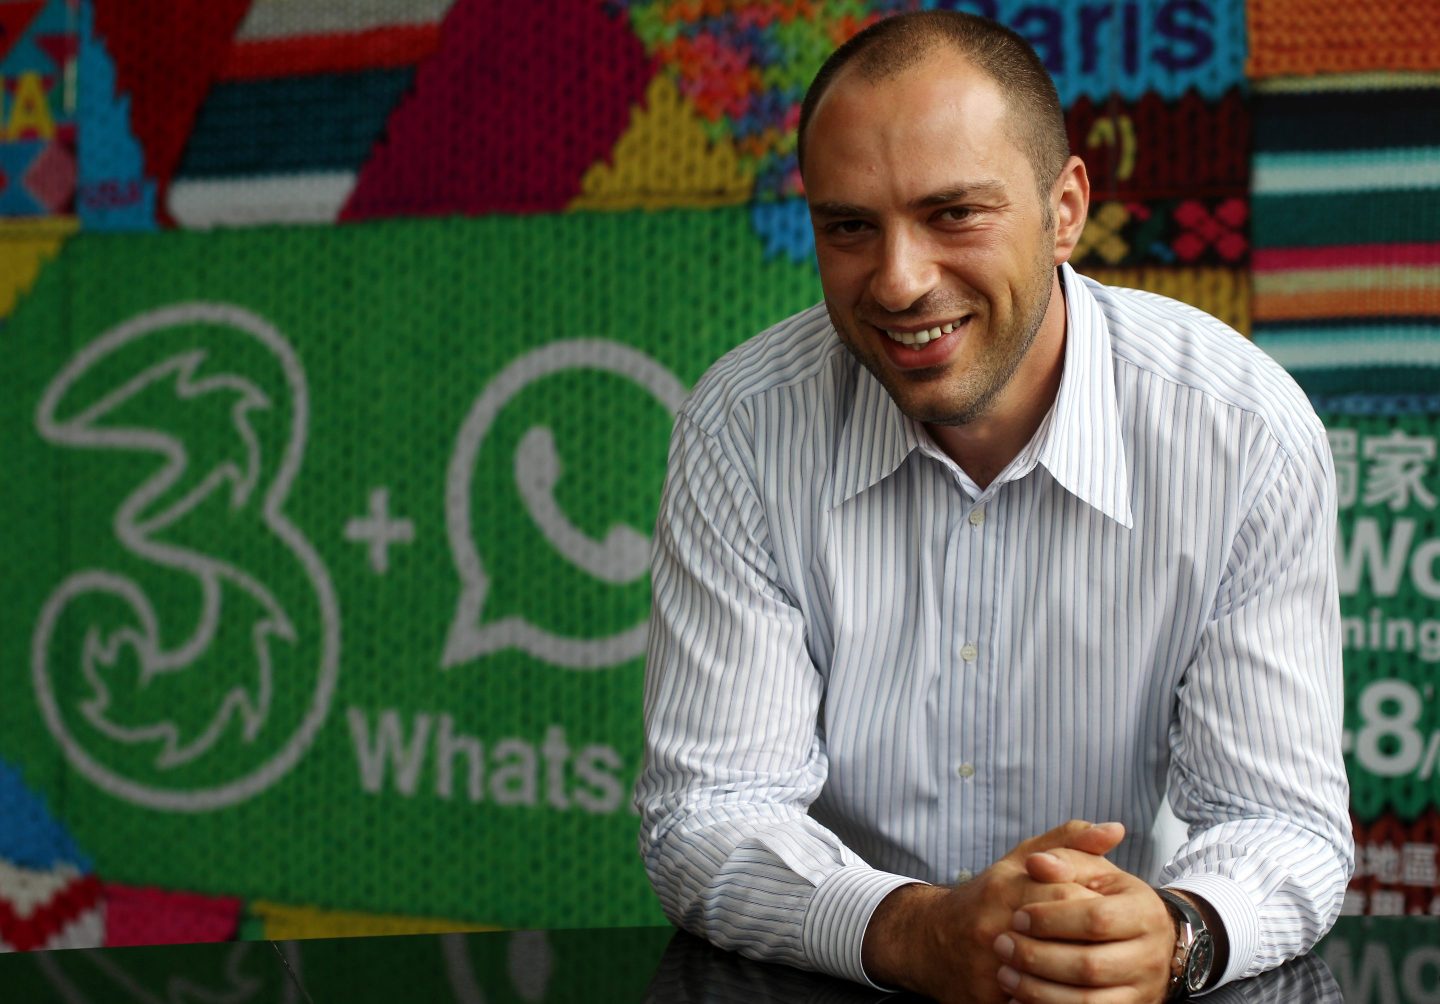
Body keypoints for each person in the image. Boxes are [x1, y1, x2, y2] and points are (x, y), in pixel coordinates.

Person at [635, 11, 1353, 1004]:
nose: (899, 281)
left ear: (1066, 210)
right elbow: (710, 811)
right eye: (850, 227)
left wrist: (1175, 933)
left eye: (954, 214)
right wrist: (915, 930)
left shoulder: (1242, 433)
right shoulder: (745, 427)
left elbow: (1281, 822)